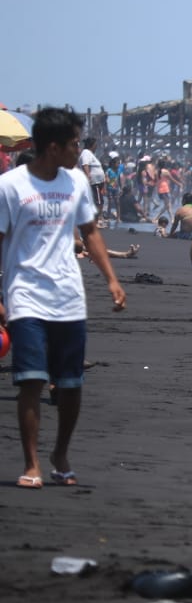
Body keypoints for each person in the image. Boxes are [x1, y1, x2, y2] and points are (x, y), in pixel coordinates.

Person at [0, 108, 127, 488]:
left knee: (69, 385)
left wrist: (112, 280)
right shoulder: (11, 186)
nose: (81, 150)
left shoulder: (76, 183)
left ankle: (61, 452)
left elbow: (90, 233)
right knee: (32, 381)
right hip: (25, 293)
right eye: (75, 143)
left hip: (68, 295)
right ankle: (32, 463)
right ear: (53, 147)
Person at [77, 136, 106, 220]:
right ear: (92, 145)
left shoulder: (90, 154)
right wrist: (88, 176)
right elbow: (85, 164)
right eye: (95, 144)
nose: (96, 146)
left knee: (99, 200)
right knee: (98, 201)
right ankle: (98, 218)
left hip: (98, 182)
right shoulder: (86, 152)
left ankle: (98, 218)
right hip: (94, 182)